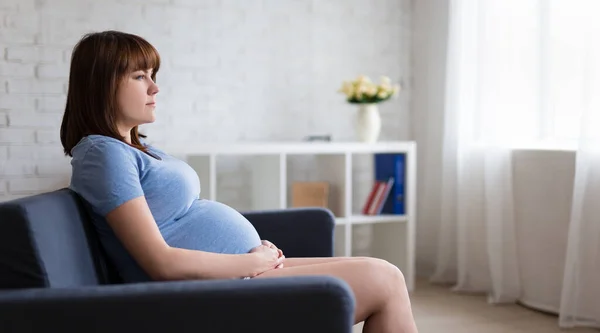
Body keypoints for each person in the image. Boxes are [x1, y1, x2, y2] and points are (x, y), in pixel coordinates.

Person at [60, 30, 418, 333]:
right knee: (382, 280)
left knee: (387, 272)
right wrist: (253, 262)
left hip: (236, 277)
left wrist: (255, 255)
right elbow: (161, 263)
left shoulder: (133, 149)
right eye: (140, 77)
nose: (154, 88)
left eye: (153, 75)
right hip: (207, 294)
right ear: (102, 84)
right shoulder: (102, 154)